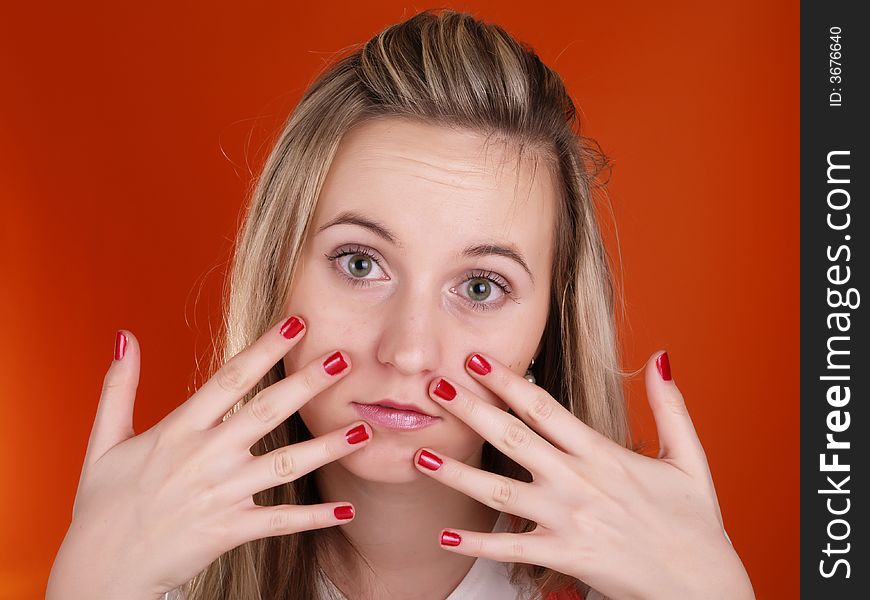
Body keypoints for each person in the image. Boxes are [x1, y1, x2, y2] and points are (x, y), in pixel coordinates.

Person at [46, 8, 755, 600]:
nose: (408, 348)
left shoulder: (643, 586)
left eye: (480, 287)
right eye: (360, 264)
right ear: (278, 277)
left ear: (551, 324)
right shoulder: (152, 576)